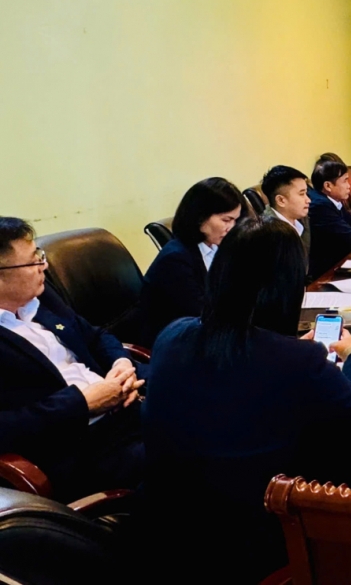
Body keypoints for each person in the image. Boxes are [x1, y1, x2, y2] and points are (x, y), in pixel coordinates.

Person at [143, 216, 351, 583]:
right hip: (256, 534)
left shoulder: (172, 335)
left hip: (170, 526)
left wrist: (290, 352)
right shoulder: (296, 361)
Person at [0, 218, 144, 501]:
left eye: (40, 255)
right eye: (33, 262)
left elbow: (95, 336)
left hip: (125, 410)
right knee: (187, 458)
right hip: (78, 448)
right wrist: (83, 404)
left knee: (212, 413)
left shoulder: (40, 297)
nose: (44, 266)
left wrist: (121, 364)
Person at [139, 178, 244, 347]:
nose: (232, 227)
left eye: (235, 220)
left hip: (209, 335)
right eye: (226, 220)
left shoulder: (215, 247)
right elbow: (203, 314)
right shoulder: (175, 260)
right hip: (177, 345)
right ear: (200, 217)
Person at [261, 165, 312, 270]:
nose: (308, 200)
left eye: (306, 193)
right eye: (301, 194)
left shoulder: (302, 219)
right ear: (281, 200)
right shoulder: (267, 233)